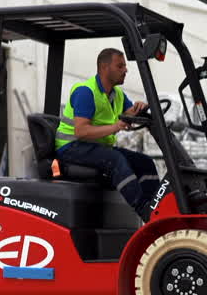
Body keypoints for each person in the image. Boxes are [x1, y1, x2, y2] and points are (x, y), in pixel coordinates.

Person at [56, 48, 162, 221]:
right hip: (71, 147)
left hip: (95, 146)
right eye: (120, 66)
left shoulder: (117, 94)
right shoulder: (86, 92)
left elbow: (129, 114)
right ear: (104, 68)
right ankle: (144, 211)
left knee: (145, 162)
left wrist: (139, 109)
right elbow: (81, 131)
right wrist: (116, 126)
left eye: (125, 66)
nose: (125, 70)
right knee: (115, 160)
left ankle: (157, 209)